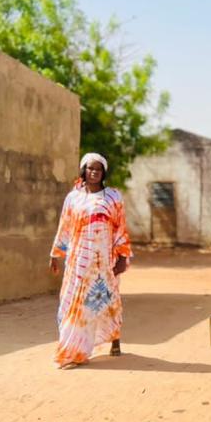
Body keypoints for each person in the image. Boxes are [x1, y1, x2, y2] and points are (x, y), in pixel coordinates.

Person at [49, 152, 132, 368]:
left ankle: (114, 338)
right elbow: (65, 227)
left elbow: (120, 228)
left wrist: (122, 256)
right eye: (90, 168)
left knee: (103, 302)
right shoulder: (73, 198)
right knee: (73, 304)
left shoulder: (112, 197)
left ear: (103, 173)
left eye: (98, 169)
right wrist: (55, 253)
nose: (93, 172)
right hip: (77, 262)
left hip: (103, 261)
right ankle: (73, 351)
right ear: (83, 170)